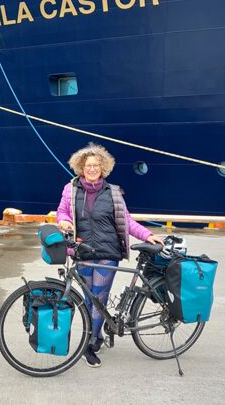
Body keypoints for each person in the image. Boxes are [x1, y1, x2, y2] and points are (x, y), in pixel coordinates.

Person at [56, 142, 163, 367]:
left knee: (99, 298)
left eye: (96, 165)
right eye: (88, 165)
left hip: (107, 252)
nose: (92, 169)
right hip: (82, 250)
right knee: (88, 300)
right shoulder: (71, 189)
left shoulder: (113, 192)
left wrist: (147, 236)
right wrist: (64, 221)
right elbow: (62, 211)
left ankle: (90, 344)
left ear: (103, 168)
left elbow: (128, 221)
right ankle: (97, 334)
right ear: (80, 168)